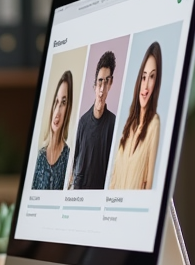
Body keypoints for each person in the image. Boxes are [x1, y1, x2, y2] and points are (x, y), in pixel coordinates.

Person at [108, 41, 162, 190]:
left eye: (151, 77)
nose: (145, 86)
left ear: (156, 83)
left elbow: (148, 183)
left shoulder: (154, 124)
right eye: (144, 77)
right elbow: (114, 179)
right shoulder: (128, 125)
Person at [67, 51, 116, 189]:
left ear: (110, 84)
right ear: (94, 85)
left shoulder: (114, 123)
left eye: (107, 82)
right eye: (100, 81)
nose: (102, 88)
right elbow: (74, 164)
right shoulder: (82, 123)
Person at [32, 69, 73, 190]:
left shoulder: (69, 158)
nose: (57, 112)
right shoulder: (40, 157)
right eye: (57, 102)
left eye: (63, 103)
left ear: (68, 109)